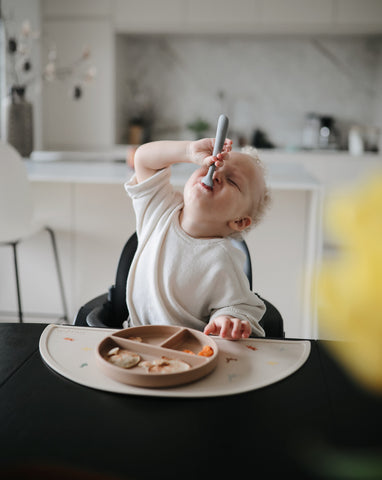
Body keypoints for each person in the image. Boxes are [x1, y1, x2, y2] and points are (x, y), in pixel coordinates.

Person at [125, 137, 270, 340]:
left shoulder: (223, 259)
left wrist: (226, 319)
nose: (215, 173)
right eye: (212, 164)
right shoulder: (159, 208)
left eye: (233, 181)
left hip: (186, 351)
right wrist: (188, 151)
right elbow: (143, 158)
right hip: (132, 338)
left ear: (239, 221)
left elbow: (241, 307)